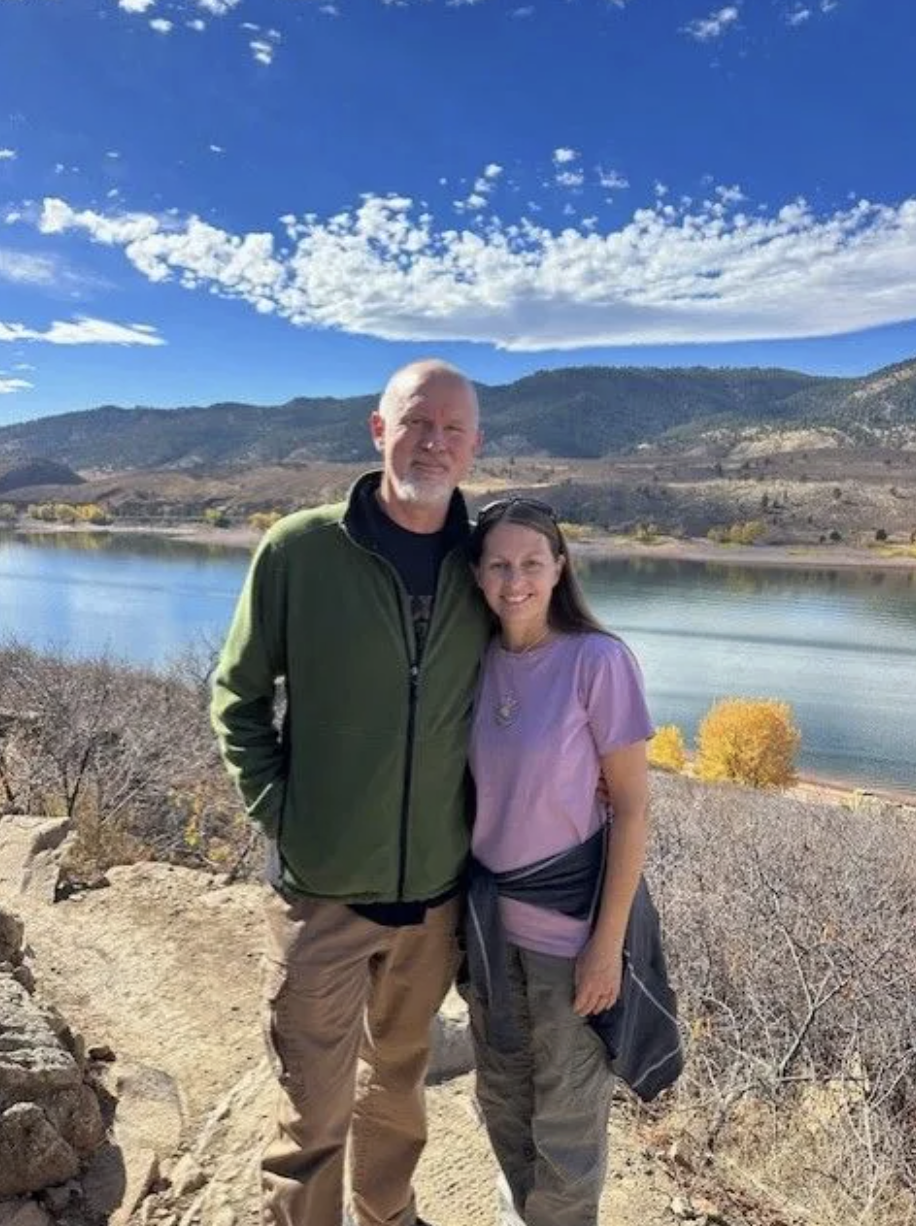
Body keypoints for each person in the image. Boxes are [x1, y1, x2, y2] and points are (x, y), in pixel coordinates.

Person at [210, 359, 491, 1226]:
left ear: (474, 446)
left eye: (452, 429)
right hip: (320, 894)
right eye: (416, 422)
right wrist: (283, 815)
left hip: (432, 899)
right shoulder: (300, 549)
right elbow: (237, 696)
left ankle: (388, 1217)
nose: (433, 443)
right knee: (312, 1113)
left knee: (398, 1095)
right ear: (379, 430)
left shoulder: (486, 563)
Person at [462, 497, 658, 1226]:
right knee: (502, 1105)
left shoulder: (596, 661)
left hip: (568, 940)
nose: (515, 581)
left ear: (559, 569)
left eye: (531, 564)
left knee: (568, 1133)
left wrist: (606, 947)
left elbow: (631, 809)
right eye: (499, 565)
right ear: (478, 576)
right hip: (488, 935)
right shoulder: (474, 661)